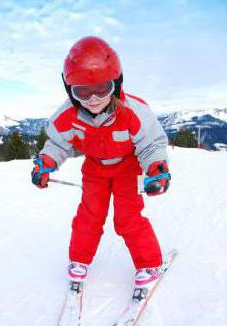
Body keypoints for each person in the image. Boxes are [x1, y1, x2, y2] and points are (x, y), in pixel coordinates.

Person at [31, 36, 171, 289]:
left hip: (130, 167)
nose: (93, 99)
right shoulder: (67, 116)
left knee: (128, 217)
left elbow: (151, 144)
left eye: (102, 89)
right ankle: (79, 260)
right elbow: (58, 143)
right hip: (94, 169)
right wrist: (46, 162)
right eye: (82, 91)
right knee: (89, 215)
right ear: (70, 90)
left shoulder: (133, 111)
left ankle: (150, 263)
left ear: (115, 84)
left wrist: (156, 168)